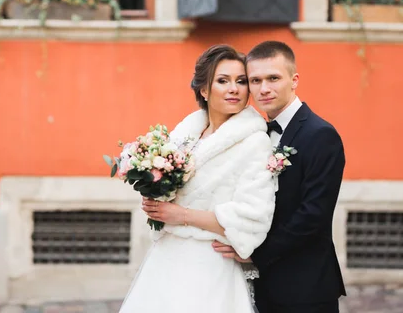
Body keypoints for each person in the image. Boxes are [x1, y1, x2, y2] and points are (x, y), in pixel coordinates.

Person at [119, 44, 277, 313]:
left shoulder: (255, 143)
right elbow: (172, 195)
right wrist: (155, 193)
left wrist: (181, 215)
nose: (234, 89)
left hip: (211, 263)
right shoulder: (186, 135)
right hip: (167, 260)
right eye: (223, 81)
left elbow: (252, 217)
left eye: (241, 81)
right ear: (204, 90)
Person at [213, 41, 346, 313]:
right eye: (255, 80)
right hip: (262, 285)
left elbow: (313, 215)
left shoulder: (320, 134)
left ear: (294, 80)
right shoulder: (255, 133)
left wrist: (254, 254)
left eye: (273, 78)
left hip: (304, 286)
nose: (264, 89)